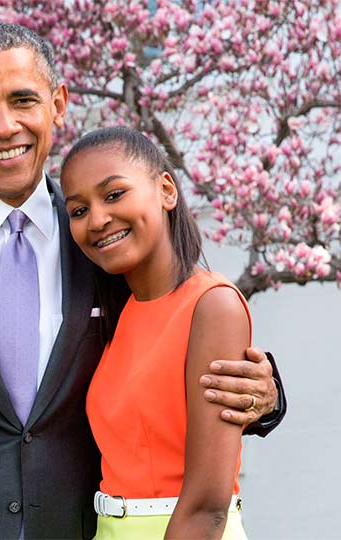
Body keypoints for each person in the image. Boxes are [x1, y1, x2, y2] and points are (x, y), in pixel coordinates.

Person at [0, 22, 285, 539]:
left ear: (58, 104)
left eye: (23, 100)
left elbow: (178, 325)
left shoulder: (109, 242)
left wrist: (266, 399)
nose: (5, 126)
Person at [61, 126, 250, 539]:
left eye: (113, 195)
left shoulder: (212, 304)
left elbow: (206, 506)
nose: (97, 220)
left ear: (166, 190)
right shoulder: (117, 314)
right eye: (78, 210)